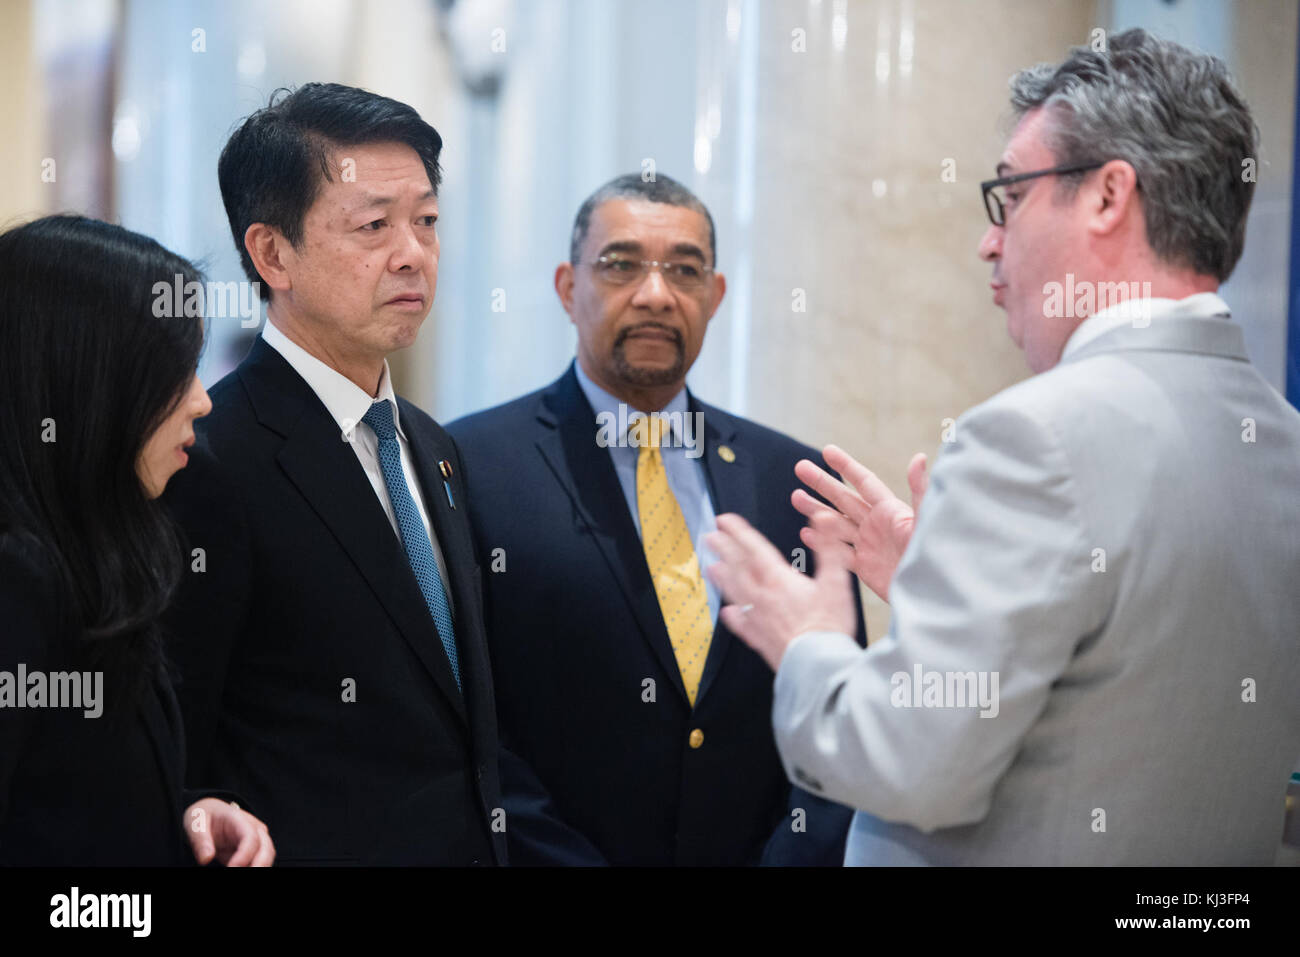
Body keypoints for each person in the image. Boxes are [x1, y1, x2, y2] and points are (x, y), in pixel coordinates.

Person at [704, 28, 1300, 865]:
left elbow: (911, 766)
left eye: (1011, 195)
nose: (991, 240)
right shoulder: (1284, 443)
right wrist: (943, 590)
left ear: (1106, 196)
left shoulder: (1034, 437)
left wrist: (810, 642)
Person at [448, 174, 863, 865]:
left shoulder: (795, 480)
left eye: (684, 269)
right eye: (621, 264)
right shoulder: (472, 465)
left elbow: (839, 707)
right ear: (566, 286)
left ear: (716, 295)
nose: (655, 293)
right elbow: (472, 726)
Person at [161, 83, 504, 865]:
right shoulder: (211, 456)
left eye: (426, 221)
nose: (412, 252)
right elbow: (181, 747)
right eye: (374, 225)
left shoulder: (431, 444)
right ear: (272, 252)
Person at [0, 215, 274, 866]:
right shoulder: (18, 574)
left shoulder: (98, 547)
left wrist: (187, 811)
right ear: (91, 385)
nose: (203, 401)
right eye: (176, 375)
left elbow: (73, 795)